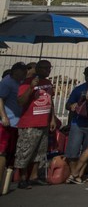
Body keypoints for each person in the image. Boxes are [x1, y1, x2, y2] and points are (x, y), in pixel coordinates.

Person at [14, 59, 55, 190]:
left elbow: (50, 101)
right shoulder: (26, 83)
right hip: (29, 123)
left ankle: (34, 176)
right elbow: (21, 101)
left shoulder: (48, 83)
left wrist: (52, 118)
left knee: (40, 151)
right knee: (26, 151)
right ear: (37, 68)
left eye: (49, 68)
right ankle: (22, 178)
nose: (47, 71)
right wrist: (31, 87)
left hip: (44, 121)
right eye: (44, 68)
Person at [63, 65, 88, 182]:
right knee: (73, 151)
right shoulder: (79, 89)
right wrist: (72, 106)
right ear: (85, 75)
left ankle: (79, 174)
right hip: (78, 123)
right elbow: (68, 104)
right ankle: (74, 173)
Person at [0, 63, 27, 179]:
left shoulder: (20, 82)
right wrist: (4, 116)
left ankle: (7, 177)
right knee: (2, 150)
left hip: (16, 123)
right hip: (7, 122)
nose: (25, 74)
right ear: (16, 71)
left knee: (12, 150)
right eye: (23, 72)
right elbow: (0, 99)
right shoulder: (7, 82)